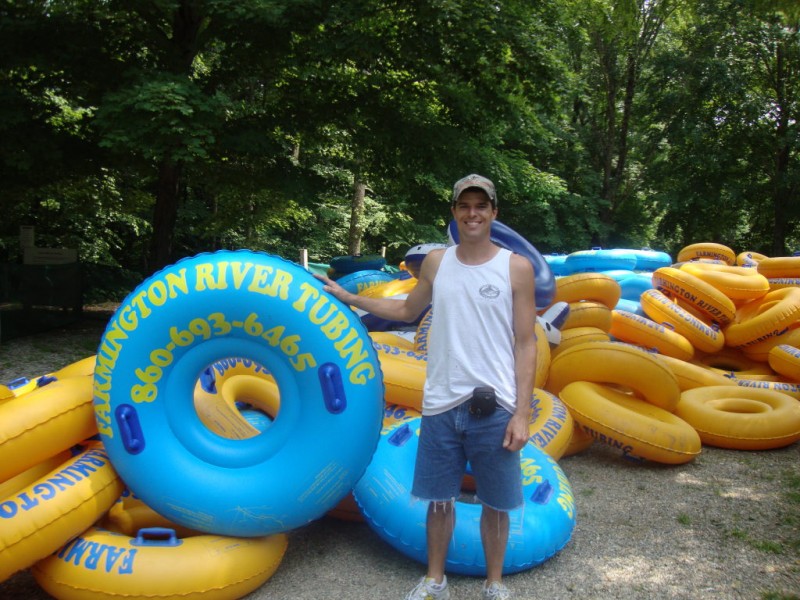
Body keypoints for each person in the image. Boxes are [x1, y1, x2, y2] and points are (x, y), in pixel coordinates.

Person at [316, 174, 536, 600]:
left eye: (481, 206)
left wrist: (522, 413)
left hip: (496, 407)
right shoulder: (437, 262)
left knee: (496, 503)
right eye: (464, 206)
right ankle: (435, 580)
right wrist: (352, 298)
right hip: (441, 404)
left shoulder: (516, 268)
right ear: (454, 212)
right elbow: (406, 310)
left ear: (494, 212)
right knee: (439, 500)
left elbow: (526, 343)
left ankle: (494, 585)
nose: (472, 214)